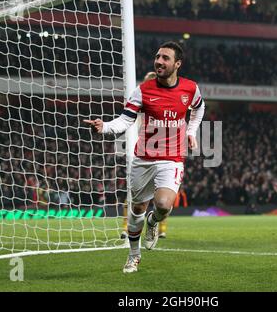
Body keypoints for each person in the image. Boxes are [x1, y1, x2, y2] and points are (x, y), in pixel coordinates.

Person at [84, 41, 205, 272]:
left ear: (177, 64)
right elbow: (125, 120)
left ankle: (153, 221)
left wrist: (190, 131)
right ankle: (133, 254)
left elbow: (200, 108)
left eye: (165, 58)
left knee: (162, 204)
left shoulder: (190, 89)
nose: (159, 61)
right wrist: (105, 127)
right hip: (144, 158)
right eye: (157, 56)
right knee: (137, 209)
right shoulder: (143, 90)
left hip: (172, 158)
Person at [120, 71, 158, 240]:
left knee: (159, 198)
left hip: (156, 153)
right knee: (133, 196)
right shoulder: (138, 97)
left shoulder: (159, 102)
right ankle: (125, 227)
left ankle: (158, 226)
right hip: (135, 150)